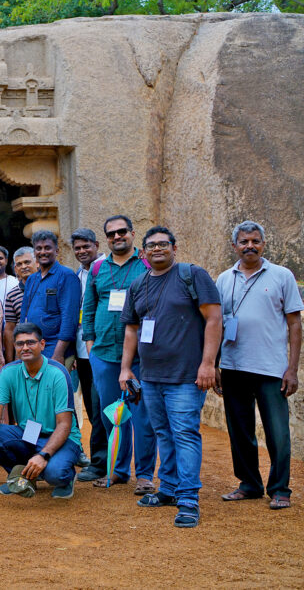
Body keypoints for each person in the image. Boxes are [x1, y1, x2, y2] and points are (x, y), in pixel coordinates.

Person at [120, 226, 221, 528]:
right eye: (151, 246)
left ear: (175, 248)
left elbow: (214, 318)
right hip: (150, 376)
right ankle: (169, 488)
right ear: (144, 253)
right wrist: (126, 368)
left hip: (186, 376)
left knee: (185, 433)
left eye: (164, 244)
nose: (157, 249)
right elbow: (131, 329)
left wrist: (208, 364)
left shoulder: (192, 275)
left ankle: (188, 499)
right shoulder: (138, 285)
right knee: (163, 433)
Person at [215, 221, 302, 510]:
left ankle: (280, 489)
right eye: (243, 241)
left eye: (255, 241)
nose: (249, 246)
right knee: (240, 432)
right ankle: (249, 484)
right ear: (234, 246)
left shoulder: (281, 276)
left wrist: (292, 369)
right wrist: (215, 365)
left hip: (271, 369)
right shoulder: (224, 279)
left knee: (278, 433)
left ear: (264, 244)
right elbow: (216, 325)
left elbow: (294, 323)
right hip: (233, 367)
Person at [82, 216, 157, 493]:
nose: (117, 237)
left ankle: (146, 474)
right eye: (111, 233)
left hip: (141, 357)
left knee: (142, 416)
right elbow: (88, 310)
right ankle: (117, 471)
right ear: (106, 239)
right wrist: (90, 348)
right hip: (103, 354)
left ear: (132, 233)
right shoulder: (98, 268)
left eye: (122, 231)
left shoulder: (147, 263)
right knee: (112, 416)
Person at [0, 323, 82, 499]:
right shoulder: (8, 372)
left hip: (60, 436)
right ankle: (22, 476)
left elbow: (64, 424)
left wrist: (42, 455)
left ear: (42, 344)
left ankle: (66, 478)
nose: (24, 347)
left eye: (30, 342)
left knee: (55, 473)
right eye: (19, 344)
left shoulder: (58, 373)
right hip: (29, 434)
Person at [70, 228, 109, 486]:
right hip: (83, 352)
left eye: (86, 246)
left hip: (103, 350)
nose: (82, 251)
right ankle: (101, 460)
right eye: (78, 248)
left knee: (100, 409)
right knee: (92, 407)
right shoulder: (78, 274)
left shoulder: (105, 268)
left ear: (96, 245)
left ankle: (101, 463)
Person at [20, 230, 81, 365]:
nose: (43, 252)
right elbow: (24, 314)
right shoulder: (31, 279)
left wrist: (58, 354)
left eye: (47, 248)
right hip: (32, 348)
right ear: (34, 253)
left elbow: (69, 318)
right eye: (39, 249)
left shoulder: (66, 276)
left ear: (57, 250)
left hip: (55, 348)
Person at [4, 247, 36, 361]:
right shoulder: (12, 295)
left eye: (27, 262)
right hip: (22, 351)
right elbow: (9, 329)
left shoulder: (48, 288)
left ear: (36, 263)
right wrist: (10, 360)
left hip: (48, 347)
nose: (23, 267)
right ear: (15, 269)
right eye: (19, 264)